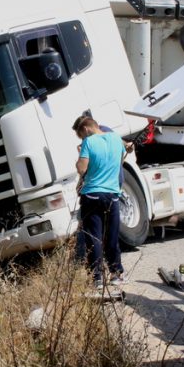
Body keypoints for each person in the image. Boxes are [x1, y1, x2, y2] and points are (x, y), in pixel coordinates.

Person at [73, 115, 126, 287]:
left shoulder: (89, 142)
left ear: (86, 129)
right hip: (112, 195)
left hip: (92, 195)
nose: (83, 139)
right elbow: (120, 158)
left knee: (93, 237)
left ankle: (97, 278)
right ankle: (116, 274)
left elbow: (82, 168)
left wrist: (80, 154)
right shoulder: (116, 138)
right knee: (112, 235)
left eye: (82, 135)